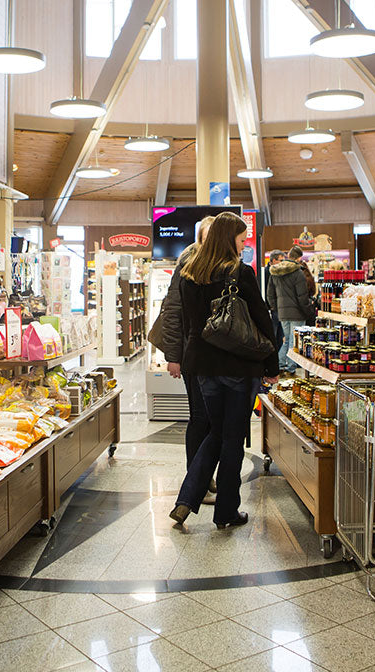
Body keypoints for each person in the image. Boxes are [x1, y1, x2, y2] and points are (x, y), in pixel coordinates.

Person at [169, 213, 278, 529]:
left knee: (216, 433)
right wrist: (271, 365)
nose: (244, 246)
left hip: (204, 369)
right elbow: (261, 319)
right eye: (242, 240)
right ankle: (227, 512)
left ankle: (187, 499)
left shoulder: (190, 275)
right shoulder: (241, 274)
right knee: (232, 440)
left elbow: (191, 327)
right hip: (239, 367)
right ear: (228, 239)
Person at [158, 216, 218, 504]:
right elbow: (172, 310)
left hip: (211, 355)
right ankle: (197, 483)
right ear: (200, 238)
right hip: (192, 355)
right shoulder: (188, 265)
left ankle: (204, 474)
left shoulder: (215, 265)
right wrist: (173, 356)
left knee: (210, 420)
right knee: (200, 419)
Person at [267, 248, 312, 374]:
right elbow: (302, 297)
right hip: (297, 313)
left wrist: (276, 308)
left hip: (282, 313)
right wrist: (308, 311)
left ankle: (280, 364)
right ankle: (291, 368)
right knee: (295, 342)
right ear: (298, 259)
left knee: (287, 340)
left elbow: (270, 294)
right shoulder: (298, 273)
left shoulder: (275, 272)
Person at [264, 250, 287, 351]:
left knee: (280, 335)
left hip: (281, 308)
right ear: (273, 260)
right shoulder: (265, 273)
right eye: (280, 260)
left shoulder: (281, 273)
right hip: (272, 309)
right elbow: (267, 291)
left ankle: (277, 358)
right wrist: (272, 305)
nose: (282, 263)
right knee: (272, 334)